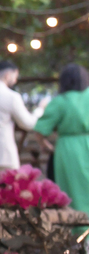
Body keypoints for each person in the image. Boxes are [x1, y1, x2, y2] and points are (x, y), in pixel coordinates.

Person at [35, 64, 89, 215]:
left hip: (69, 150)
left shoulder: (61, 101)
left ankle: (79, 231)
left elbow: (40, 131)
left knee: (73, 190)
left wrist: (47, 147)